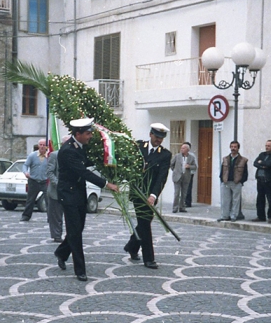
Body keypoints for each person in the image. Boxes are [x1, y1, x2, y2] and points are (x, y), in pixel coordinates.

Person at [54, 119, 118, 281]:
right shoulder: (68, 150)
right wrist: (106, 184)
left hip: (78, 194)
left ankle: (61, 252)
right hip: (68, 195)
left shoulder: (79, 147)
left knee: (78, 228)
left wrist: (108, 160)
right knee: (75, 232)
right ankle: (80, 270)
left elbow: (88, 162)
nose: (90, 136)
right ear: (78, 134)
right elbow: (84, 172)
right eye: (88, 133)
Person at [123, 123, 171, 268]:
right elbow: (129, 165)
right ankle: (149, 258)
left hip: (150, 196)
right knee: (144, 224)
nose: (158, 140)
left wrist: (153, 195)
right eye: (156, 137)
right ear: (150, 134)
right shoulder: (138, 147)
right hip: (138, 193)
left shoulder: (165, 154)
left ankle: (132, 246)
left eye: (161, 138)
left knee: (144, 224)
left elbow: (161, 177)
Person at [46, 135, 70, 243]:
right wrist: (58, 184)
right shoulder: (54, 155)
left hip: (69, 191)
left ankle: (70, 235)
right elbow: (50, 172)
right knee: (56, 216)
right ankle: (56, 235)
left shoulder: (72, 156)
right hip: (55, 192)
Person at [218, 141, 248, 222]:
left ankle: (233, 216)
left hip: (236, 182)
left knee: (235, 200)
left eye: (235, 147)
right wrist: (222, 179)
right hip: (226, 182)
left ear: (238, 148)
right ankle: (225, 216)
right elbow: (222, 170)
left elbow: (245, 172)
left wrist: (241, 181)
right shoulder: (225, 159)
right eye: (232, 146)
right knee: (225, 200)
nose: (233, 148)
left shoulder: (243, 160)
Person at [20, 139, 48, 222]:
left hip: (45, 181)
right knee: (30, 200)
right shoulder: (32, 155)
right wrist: (26, 172)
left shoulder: (49, 156)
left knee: (49, 200)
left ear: (46, 146)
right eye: (40, 145)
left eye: (44, 145)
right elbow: (25, 165)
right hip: (33, 180)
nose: (42, 146)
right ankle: (26, 216)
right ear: (38, 145)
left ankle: (51, 217)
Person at [252, 140, 271, 223]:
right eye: (266, 145)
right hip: (260, 179)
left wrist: (262, 163)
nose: (267, 147)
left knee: (270, 199)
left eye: (269, 146)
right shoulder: (262, 154)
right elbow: (255, 163)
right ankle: (260, 216)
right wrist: (263, 165)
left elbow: (270, 164)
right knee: (260, 198)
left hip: (269, 180)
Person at [170, 143, 196, 213]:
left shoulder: (191, 157)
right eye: (181, 148)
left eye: (183, 148)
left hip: (186, 177)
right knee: (177, 193)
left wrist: (189, 166)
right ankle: (175, 208)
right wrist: (175, 171)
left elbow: (195, 166)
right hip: (177, 177)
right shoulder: (177, 156)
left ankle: (182, 207)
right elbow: (171, 164)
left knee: (184, 193)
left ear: (187, 150)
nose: (182, 149)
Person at [184, 141, 196, 208]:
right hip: (182, 173)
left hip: (189, 174)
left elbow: (195, 165)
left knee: (188, 188)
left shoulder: (192, 156)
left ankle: (188, 202)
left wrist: (189, 167)